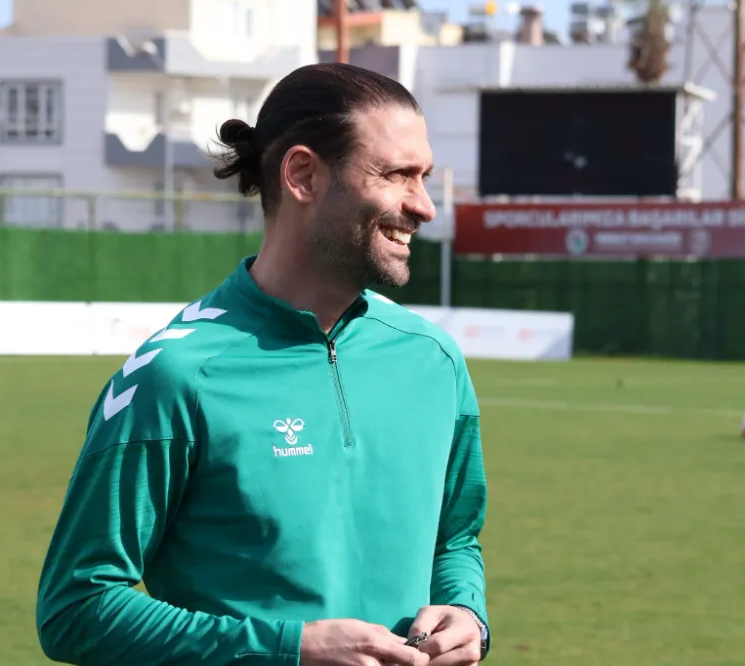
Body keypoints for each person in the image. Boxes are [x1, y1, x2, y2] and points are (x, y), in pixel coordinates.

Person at [36, 62, 491, 666]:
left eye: (424, 177)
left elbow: (454, 538)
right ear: (302, 175)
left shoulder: (433, 359)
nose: (425, 206)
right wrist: (287, 648)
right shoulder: (175, 375)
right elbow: (76, 606)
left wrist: (466, 611)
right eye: (396, 175)